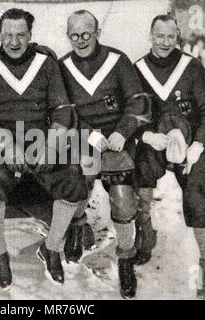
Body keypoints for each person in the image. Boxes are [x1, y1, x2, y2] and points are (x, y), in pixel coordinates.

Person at [0, 8, 88, 290]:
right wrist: (4, 141)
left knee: (71, 179)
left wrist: (52, 142)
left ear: (30, 35)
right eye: (7, 35)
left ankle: (52, 247)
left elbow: (61, 109)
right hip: (1, 138)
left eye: (21, 35)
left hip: (39, 137)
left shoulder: (45, 63)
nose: (14, 41)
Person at [59, 10, 148, 298]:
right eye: (74, 34)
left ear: (97, 32)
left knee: (121, 196)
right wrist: (89, 135)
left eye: (86, 33)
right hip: (83, 137)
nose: (81, 40)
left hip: (116, 140)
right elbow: (60, 112)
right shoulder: (62, 66)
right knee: (75, 180)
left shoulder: (117, 60)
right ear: (68, 35)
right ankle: (77, 224)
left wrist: (122, 131)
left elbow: (138, 102)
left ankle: (125, 257)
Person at [133, 14, 205, 299]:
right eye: (160, 36)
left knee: (197, 194)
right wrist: (147, 135)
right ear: (150, 35)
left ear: (177, 37)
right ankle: (144, 232)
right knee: (141, 172)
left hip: (190, 142)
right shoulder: (138, 69)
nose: (165, 42)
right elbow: (132, 114)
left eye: (171, 37)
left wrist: (197, 146)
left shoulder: (191, 67)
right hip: (156, 140)